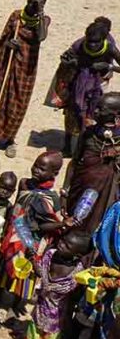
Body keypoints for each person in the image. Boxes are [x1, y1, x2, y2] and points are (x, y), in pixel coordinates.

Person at [0, 151, 70, 322]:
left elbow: (47, 225)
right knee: (4, 263)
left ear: (54, 174)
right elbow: (18, 206)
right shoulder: (24, 183)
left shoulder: (51, 198)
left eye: (42, 169)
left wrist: (62, 224)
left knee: (25, 271)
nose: (36, 170)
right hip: (13, 233)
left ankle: (16, 304)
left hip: (30, 241)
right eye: (35, 165)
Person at [0, 0, 50, 156]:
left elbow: (40, 37)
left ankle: (9, 139)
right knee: (0, 95)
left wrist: (39, 12)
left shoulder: (44, 20)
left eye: (38, 0)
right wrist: (8, 45)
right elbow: (4, 37)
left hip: (25, 68)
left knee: (17, 101)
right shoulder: (16, 16)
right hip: (8, 63)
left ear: (44, 2)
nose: (33, 3)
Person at [46, 19, 120, 157]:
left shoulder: (110, 48)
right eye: (89, 41)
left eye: (95, 42)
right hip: (77, 84)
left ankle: (83, 148)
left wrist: (108, 66)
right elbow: (66, 61)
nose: (92, 45)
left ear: (103, 39)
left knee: (91, 117)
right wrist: (69, 62)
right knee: (71, 114)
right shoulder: (79, 45)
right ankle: (68, 147)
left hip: (98, 85)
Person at [23, 230, 90, 339]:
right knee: (35, 327)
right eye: (63, 240)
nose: (61, 244)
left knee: (49, 334)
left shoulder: (77, 272)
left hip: (56, 309)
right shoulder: (50, 254)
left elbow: (69, 289)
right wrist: (32, 261)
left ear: (77, 254)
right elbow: (41, 272)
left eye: (67, 246)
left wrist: (48, 284)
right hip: (42, 303)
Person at [64, 93, 120, 235]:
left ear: (116, 115)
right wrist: (65, 191)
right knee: (72, 226)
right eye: (96, 107)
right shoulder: (89, 134)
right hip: (79, 190)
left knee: (95, 231)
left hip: (106, 197)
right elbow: (75, 162)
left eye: (102, 109)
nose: (95, 111)